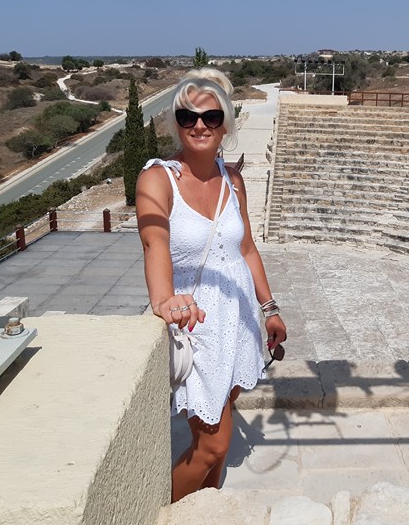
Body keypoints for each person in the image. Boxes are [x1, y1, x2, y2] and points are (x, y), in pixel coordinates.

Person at [135, 68, 287, 502]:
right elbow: (154, 243)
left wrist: (270, 309)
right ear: (176, 123)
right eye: (188, 116)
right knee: (213, 446)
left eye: (211, 116)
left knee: (223, 420)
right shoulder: (158, 179)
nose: (199, 125)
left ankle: (206, 506)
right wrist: (163, 299)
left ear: (226, 124)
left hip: (238, 319)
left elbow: (247, 249)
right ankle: (157, 511)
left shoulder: (232, 180)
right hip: (197, 324)